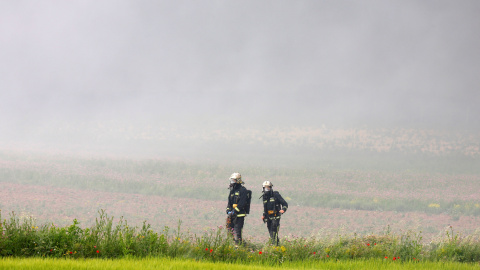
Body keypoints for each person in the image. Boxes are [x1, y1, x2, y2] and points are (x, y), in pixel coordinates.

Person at [261, 181, 288, 245]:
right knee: (271, 233)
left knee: (274, 233)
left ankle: (274, 246)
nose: (266, 189)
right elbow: (265, 208)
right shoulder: (264, 197)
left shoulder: (276, 195)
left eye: (268, 188)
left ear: (270, 188)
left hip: (275, 217)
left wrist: (283, 209)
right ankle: (276, 246)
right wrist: (264, 215)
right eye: (265, 188)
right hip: (268, 218)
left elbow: (285, 203)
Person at [226, 172, 248, 246]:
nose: (232, 182)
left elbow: (242, 203)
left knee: (237, 232)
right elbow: (229, 202)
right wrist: (228, 210)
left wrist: (235, 211)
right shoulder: (232, 190)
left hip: (239, 215)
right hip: (232, 215)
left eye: (234, 180)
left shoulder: (243, 190)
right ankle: (232, 245)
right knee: (229, 231)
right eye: (231, 180)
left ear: (238, 181)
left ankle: (238, 247)